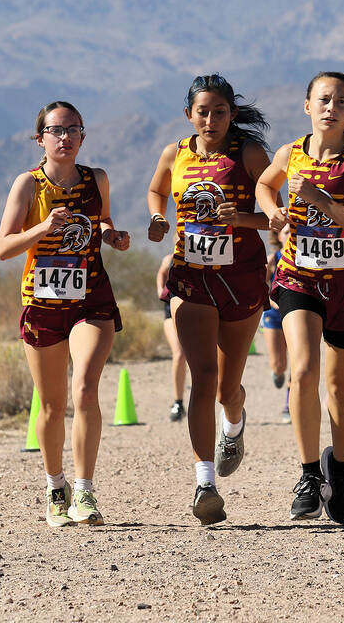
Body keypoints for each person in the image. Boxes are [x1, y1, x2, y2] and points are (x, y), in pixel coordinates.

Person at [0, 101, 130, 527]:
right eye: (56, 130)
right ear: (41, 139)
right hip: (43, 304)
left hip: (91, 298)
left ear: (83, 136)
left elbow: (103, 219)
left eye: (73, 129)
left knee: (86, 389)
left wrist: (113, 235)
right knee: (52, 406)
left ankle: (85, 490)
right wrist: (43, 228)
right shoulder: (28, 186)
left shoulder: (97, 179)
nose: (65, 137)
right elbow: (3, 247)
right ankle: (56, 487)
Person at [256, 71, 344, 524]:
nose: (332, 107)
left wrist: (319, 199)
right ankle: (309, 474)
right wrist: (273, 213)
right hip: (298, 278)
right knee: (304, 371)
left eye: (341, 101)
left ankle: (340, 469)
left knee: (341, 386)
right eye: (324, 100)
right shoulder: (290, 152)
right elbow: (264, 185)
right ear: (307, 105)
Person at [147, 74, 272, 526]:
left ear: (232, 115)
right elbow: (157, 190)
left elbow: (278, 217)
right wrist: (158, 218)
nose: (211, 119)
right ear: (189, 115)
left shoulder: (250, 155)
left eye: (220, 111)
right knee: (202, 376)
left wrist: (242, 218)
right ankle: (205, 483)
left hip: (241, 279)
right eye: (203, 111)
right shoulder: (174, 153)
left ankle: (234, 423)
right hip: (192, 279)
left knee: (225, 388)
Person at [262, 226, 292, 424]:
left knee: (298, 363)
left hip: (294, 314)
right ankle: (278, 371)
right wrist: (272, 301)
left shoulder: (303, 259)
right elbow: (263, 284)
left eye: (294, 231)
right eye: (287, 232)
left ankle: (288, 405)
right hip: (273, 314)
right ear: (278, 236)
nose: (290, 235)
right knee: (279, 364)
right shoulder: (274, 259)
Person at [156, 253, 189, 422]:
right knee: (179, 353)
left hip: (197, 308)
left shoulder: (200, 254)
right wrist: (160, 289)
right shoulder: (168, 258)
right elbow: (162, 272)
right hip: (171, 310)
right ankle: (178, 402)